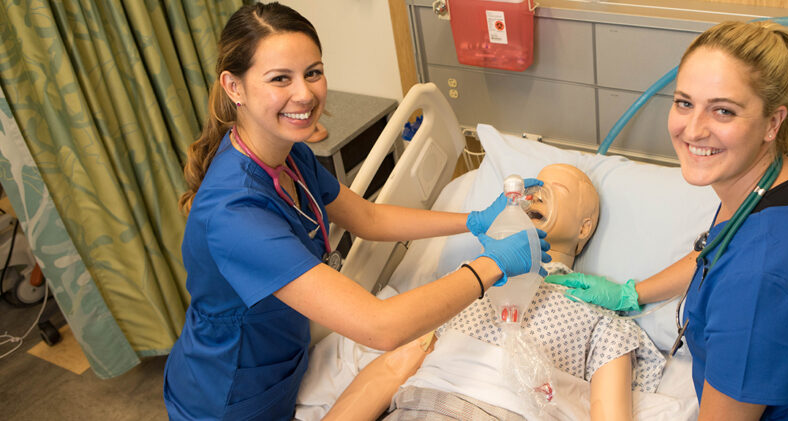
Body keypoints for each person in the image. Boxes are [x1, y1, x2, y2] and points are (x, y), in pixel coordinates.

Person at [164, 3, 548, 420]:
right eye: (280, 79)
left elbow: (369, 219)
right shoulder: (233, 214)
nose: (305, 94)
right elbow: (380, 326)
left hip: (282, 366)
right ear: (234, 87)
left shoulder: (290, 156)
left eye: (313, 72)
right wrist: (490, 266)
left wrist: (473, 221)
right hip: (227, 397)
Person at [547, 21, 788, 420]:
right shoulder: (784, 183)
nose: (693, 129)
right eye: (684, 102)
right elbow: (718, 249)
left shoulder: (759, 282)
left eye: (723, 110)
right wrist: (631, 293)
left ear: (773, 123)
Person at [305, 164, 666, 421]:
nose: (535, 194)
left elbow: (609, 413)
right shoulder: (465, 285)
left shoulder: (600, 318)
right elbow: (393, 367)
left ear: (585, 228)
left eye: (557, 191)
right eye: (534, 186)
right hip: (421, 407)